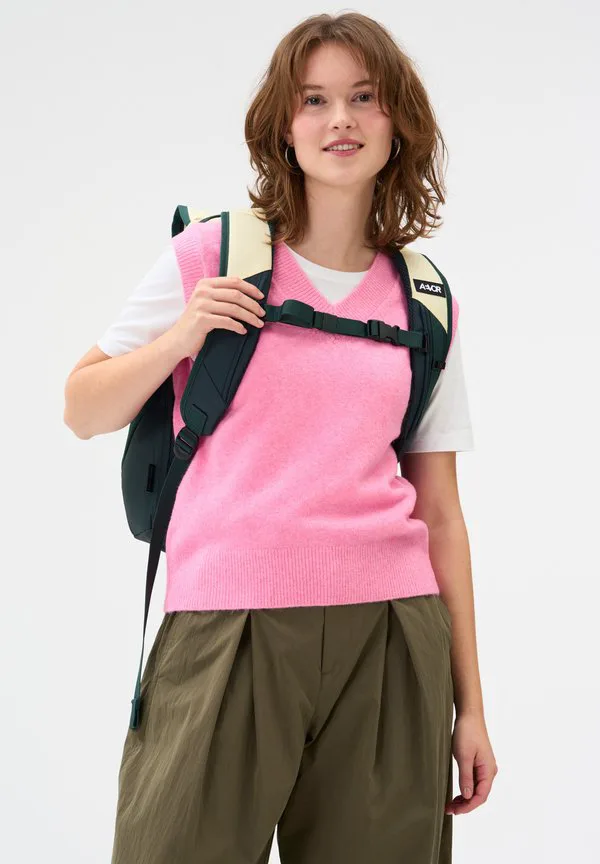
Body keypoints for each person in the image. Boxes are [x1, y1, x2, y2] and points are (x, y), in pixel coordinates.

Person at [64, 11, 498, 864]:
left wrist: (471, 706)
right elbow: (82, 408)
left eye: (364, 98)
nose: (340, 120)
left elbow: (443, 514)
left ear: (398, 122)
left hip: (390, 635)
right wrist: (181, 337)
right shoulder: (214, 255)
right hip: (227, 626)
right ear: (283, 126)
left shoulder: (425, 300)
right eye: (315, 100)